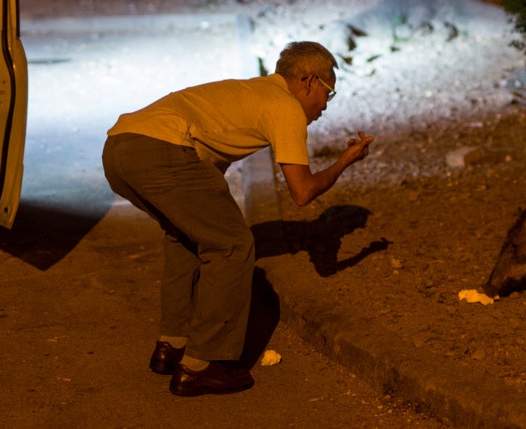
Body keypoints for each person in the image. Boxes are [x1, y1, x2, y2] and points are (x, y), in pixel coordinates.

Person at [101, 40, 375, 397]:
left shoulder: (250, 92)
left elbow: (207, 165)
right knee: (232, 245)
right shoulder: (285, 106)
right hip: (162, 150)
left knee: (185, 236)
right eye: (329, 92)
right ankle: (203, 364)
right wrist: (344, 162)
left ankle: (172, 346)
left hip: (120, 148)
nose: (325, 105)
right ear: (308, 81)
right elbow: (302, 192)